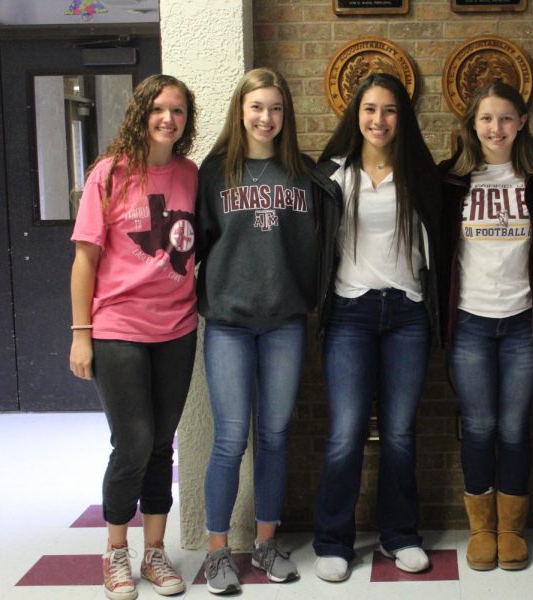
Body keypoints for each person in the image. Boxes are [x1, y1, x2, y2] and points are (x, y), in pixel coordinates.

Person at [310, 73, 443, 583]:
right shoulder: (333, 175)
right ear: (356, 114)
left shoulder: (421, 175)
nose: (379, 120)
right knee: (345, 433)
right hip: (349, 313)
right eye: (370, 109)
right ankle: (333, 540)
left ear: (402, 117)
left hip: (408, 314)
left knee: (400, 434)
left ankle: (400, 535)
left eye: (389, 110)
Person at [69, 74, 198, 600]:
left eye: (179, 112)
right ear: (141, 111)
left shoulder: (191, 174)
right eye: (160, 109)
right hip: (118, 328)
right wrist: (82, 333)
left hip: (179, 327)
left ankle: (155, 552)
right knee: (133, 443)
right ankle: (116, 552)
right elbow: (84, 261)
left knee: (161, 444)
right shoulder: (109, 174)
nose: (168, 119)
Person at [195, 67, 321, 595]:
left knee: (274, 437)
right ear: (240, 111)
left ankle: (267, 542)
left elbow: (319, 243)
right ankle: (219, 552)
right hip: (227, 323)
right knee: (229, 440)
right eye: (256, 107)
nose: (266, 118)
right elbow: (195, 244)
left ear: (285, 115)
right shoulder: (214, 171)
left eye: (275, 108)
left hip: (285, 324)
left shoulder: (302, 173)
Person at [438, 81, 533, 571]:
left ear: (522, 122)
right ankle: (481, 528)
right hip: (470, 321)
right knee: (480, 426)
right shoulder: (450, 180)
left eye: (506, 118)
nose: (496, 128)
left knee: (513, 426)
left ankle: (511, 529)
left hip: (521, 323)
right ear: (473, 124)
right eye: (487, 118)